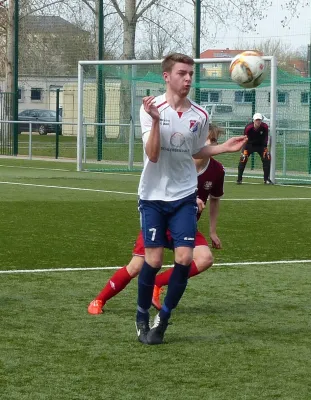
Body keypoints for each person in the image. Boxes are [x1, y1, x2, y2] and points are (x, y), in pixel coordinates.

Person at [135, 52, 246, 345]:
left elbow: (196, 152)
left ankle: (163, 320)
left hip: (185, 194)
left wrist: (223, 147)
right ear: (167, 76)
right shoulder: (150, 108)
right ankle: (141, 315)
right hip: (153, 196)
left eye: (190, 75)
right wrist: (157, 122)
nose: (187, 79)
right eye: (182, 73)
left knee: (184, 258)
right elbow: (153, 154)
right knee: (155, 260)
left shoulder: (200, 115)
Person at [88, 124, 225, 315]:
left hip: (184, 225)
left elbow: (215, 201)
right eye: (205, 140)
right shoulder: (177, 163)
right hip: (160, 219)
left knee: (205, 258)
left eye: (213, 141)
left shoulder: (217, 171)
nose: (209, 144)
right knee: (136, 266)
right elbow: (161, 188)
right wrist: (189, 199)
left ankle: (158, 283)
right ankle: (99, 299)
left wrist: (212, 231)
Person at [237, 112, 273, 185]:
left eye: (259, 120)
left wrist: (265, 146)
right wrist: (243, 148)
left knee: (267, 158)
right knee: (243, 160)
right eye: (256, 120)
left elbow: (266, 137)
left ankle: (266, 179)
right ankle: (239, 179)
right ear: (253, 120)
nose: (258, 122)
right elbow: (245, 138)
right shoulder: (248, 128)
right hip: (249, 145)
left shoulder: (265, 127)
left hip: (260, 145)